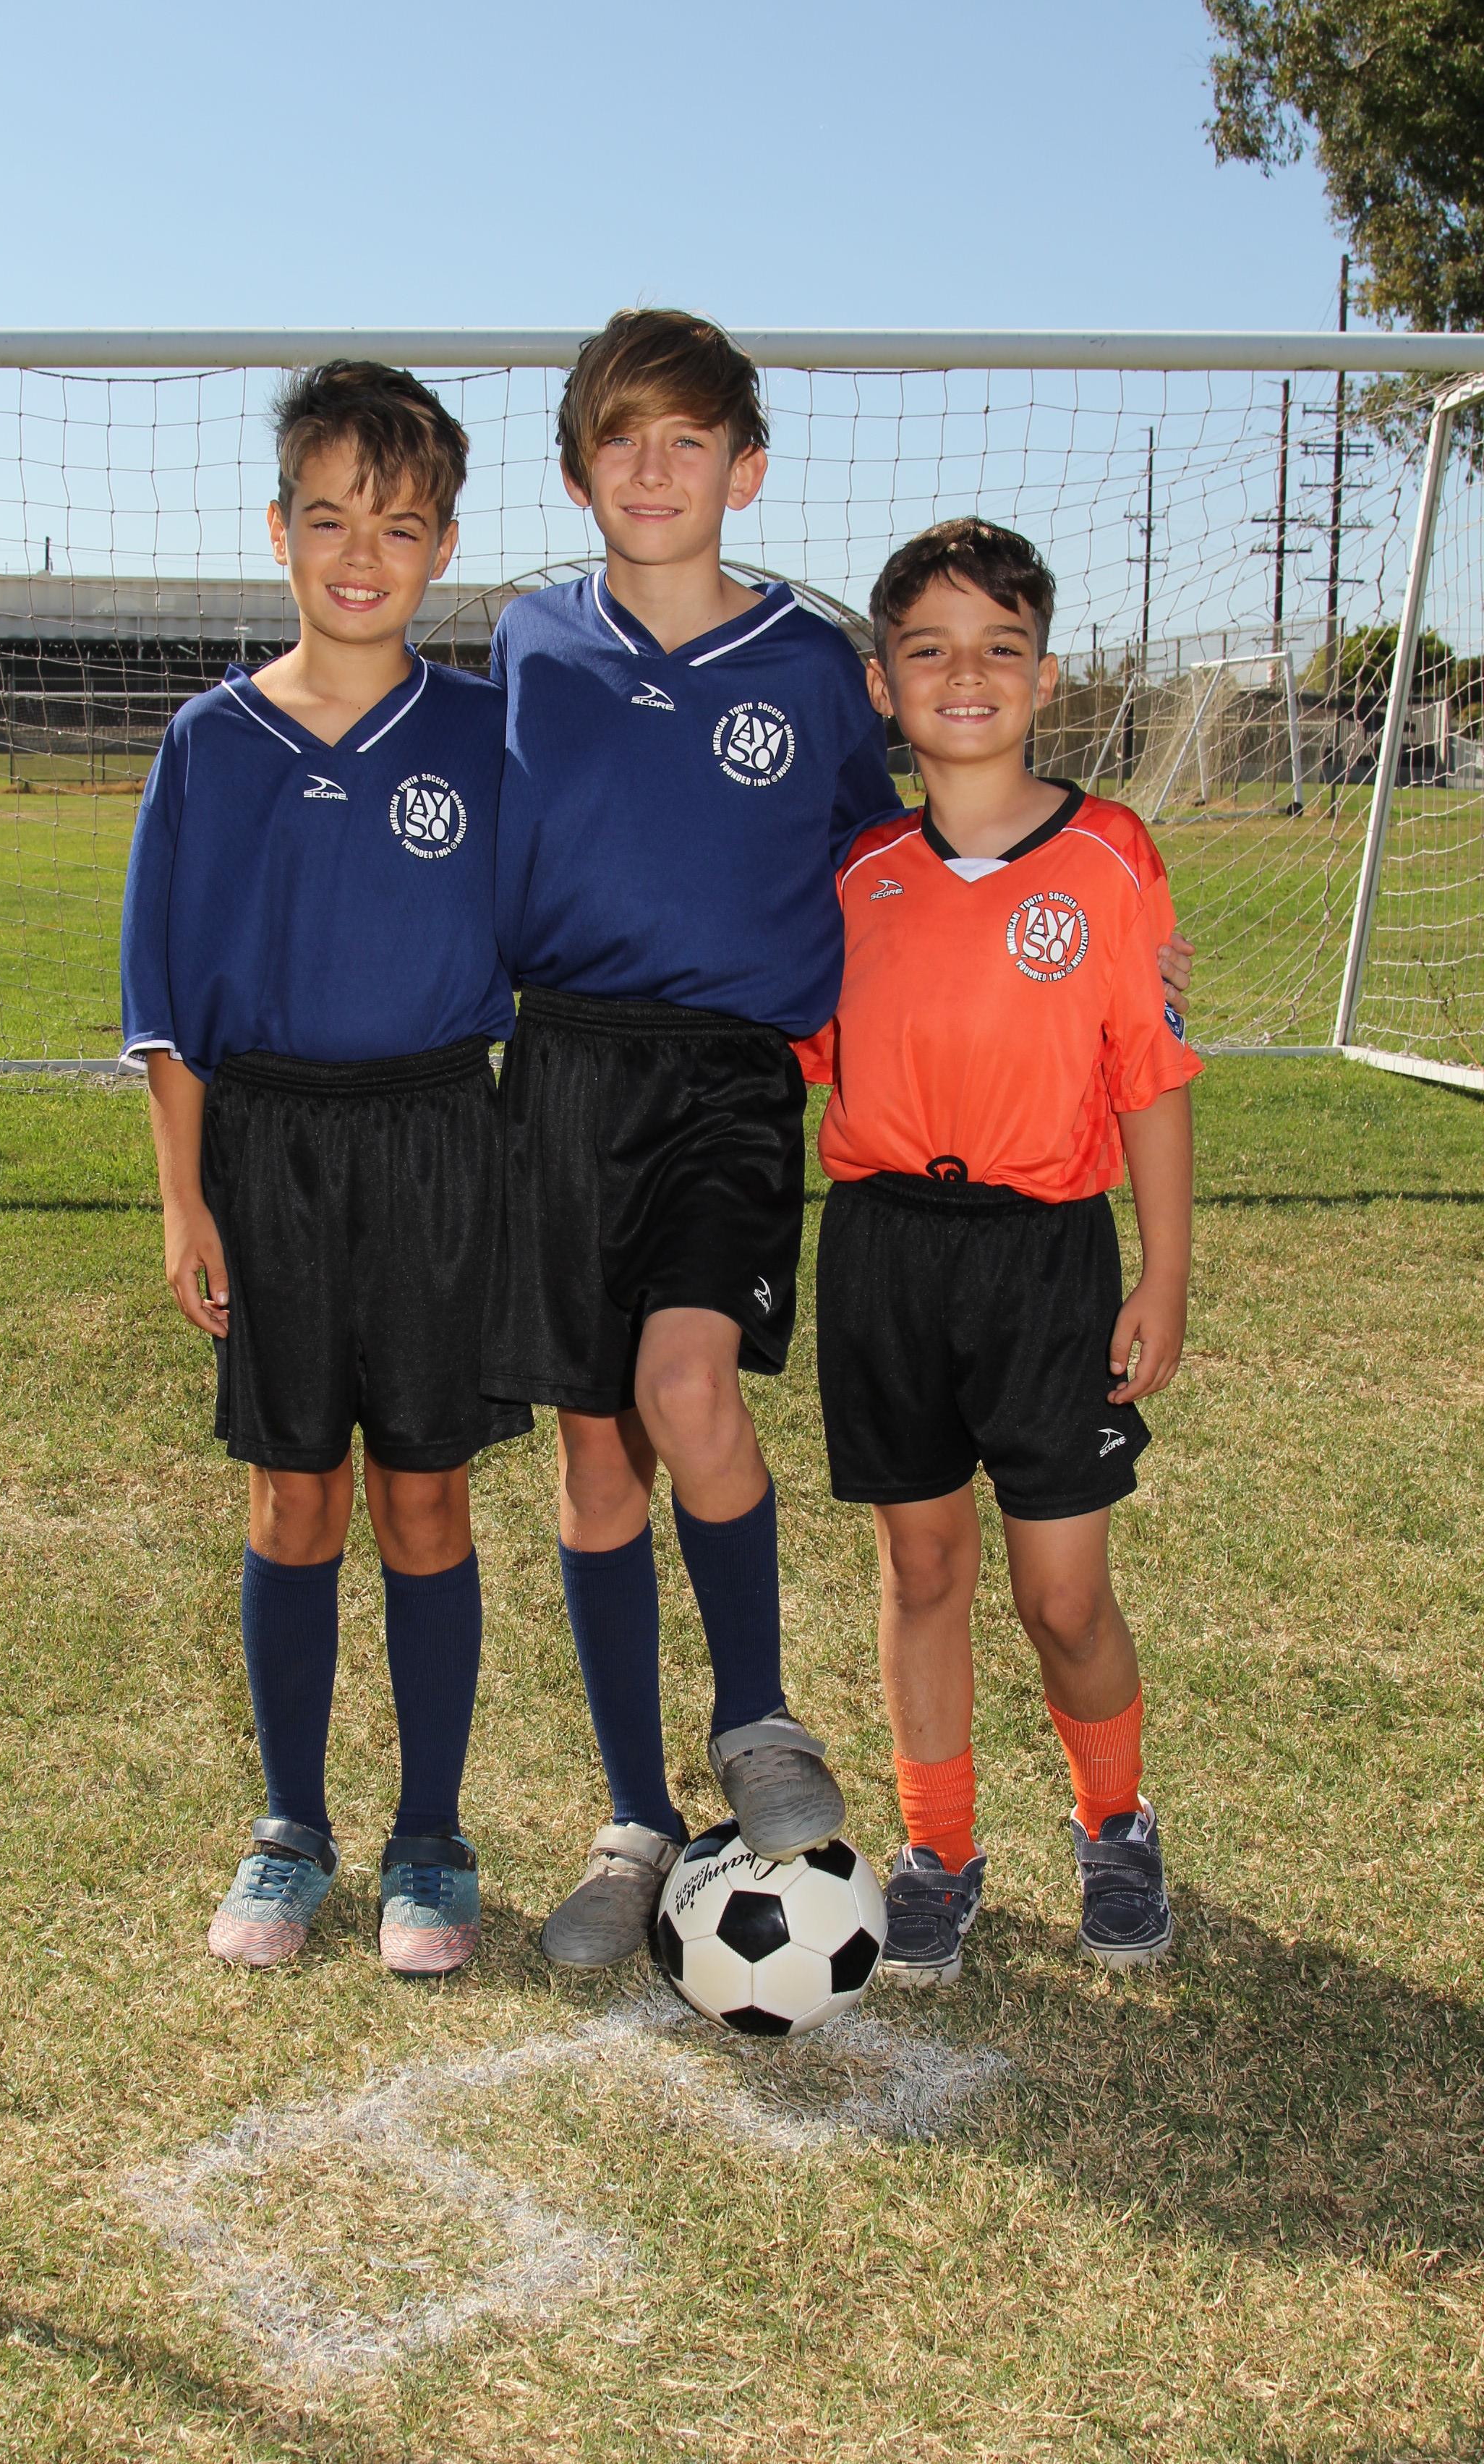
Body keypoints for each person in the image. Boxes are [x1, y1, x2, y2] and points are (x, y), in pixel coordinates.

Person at [486, 314, 1191, 1969]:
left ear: (746, 470)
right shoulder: (527, 638)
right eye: (619, 437)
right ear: (577, 470)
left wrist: (1111, 958)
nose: (653, 468)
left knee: (687, 1390)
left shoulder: (809, 664)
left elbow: (919, 873)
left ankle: (761, 1722)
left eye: (688, 438)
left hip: (729, 1086)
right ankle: (633, 1824)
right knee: (597, 1461)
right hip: (563, 1075)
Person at [119, 361, 529, 1979]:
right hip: (269, 1146)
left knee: (425, 1494)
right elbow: (166, 1003)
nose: (365, 554)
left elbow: (619, 894)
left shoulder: (489, 736)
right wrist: (184, 1196)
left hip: (439, 1138)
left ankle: (431, 1834)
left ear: (444, 549)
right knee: (297, 1495)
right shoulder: (209, 743)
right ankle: (293, 1825)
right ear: (278, 527)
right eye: (333, 518)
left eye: (402, 526)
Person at [811, 517, 1200, 1980]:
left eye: (999, 647)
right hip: (884, 1252)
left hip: (1045, 1260)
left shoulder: (1109, 855)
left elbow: (1150, 1076)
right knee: (923, 1571)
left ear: (1043, 674)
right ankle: (939, 1851)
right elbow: (790, 1041)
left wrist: (1164, 1272)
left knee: (1063, 1596)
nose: (964, 675)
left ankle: (1115, 1822)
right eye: (928, 649)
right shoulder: (855, 870)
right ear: (883, 683)